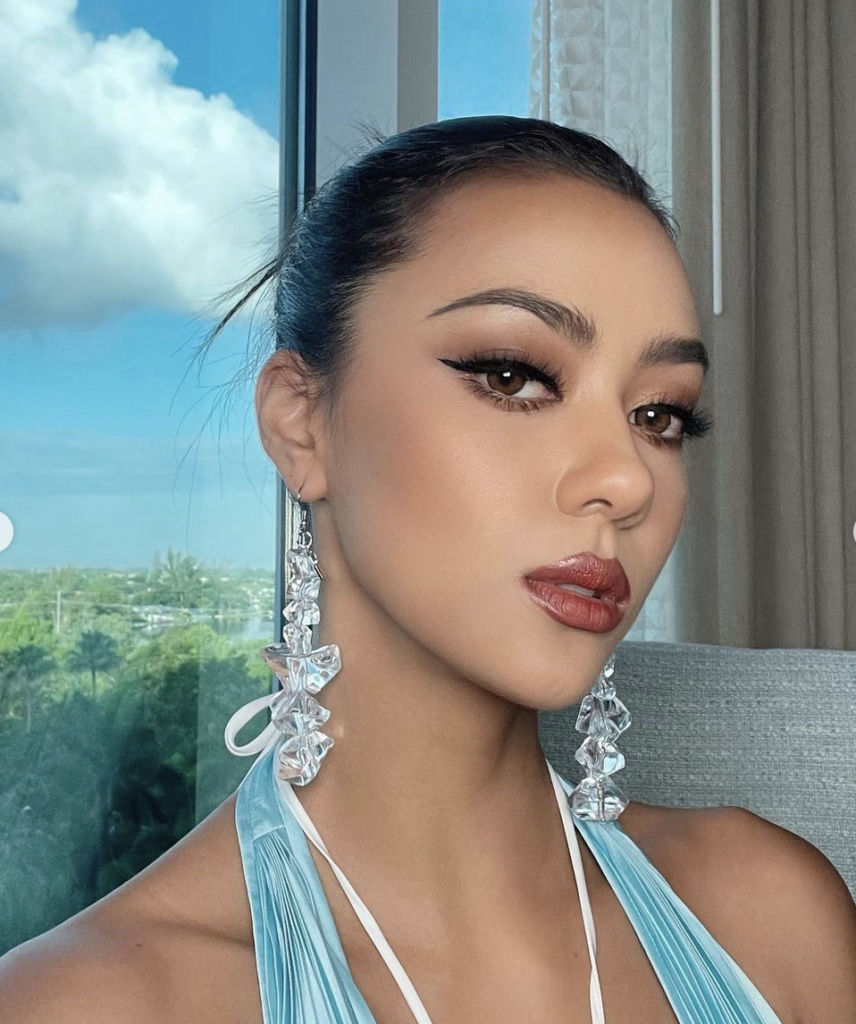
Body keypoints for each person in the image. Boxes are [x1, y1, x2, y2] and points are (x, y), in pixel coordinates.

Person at [1, 115, 855, 1024]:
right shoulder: (88, 1004)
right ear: (300, 422)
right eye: (513, 376)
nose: (626, 478)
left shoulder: (769, 923)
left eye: (660, 415)